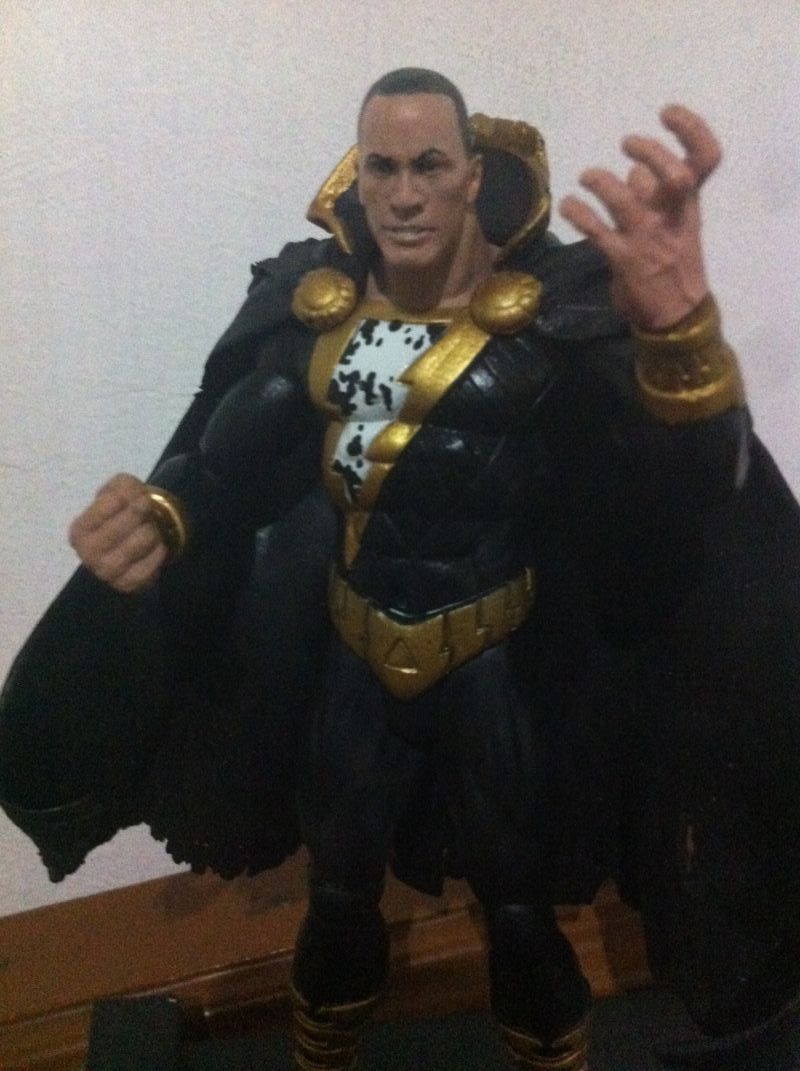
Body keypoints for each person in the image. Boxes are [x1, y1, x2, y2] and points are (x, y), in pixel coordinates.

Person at [2, 69, 799, 1070]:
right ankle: (322, 1052)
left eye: (429, 165)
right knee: (337, 890)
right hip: (356, 650)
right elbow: (223, 465)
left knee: (517, 903)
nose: (406, 194)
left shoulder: (545, 322)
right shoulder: (314, 316)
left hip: (493, 659)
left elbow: (682, 495)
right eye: (383, 167)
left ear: (474, 176)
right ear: (356, 176)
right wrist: (155, 517)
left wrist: (679, 335)